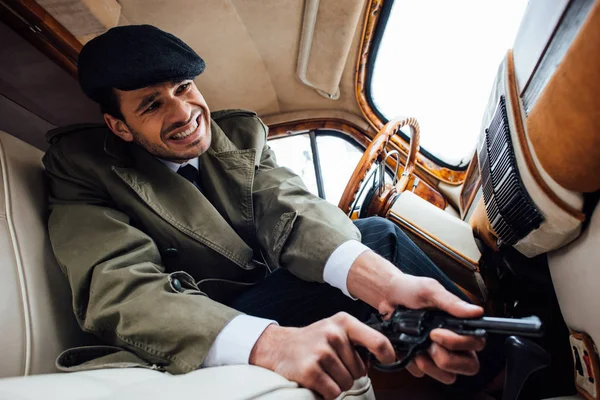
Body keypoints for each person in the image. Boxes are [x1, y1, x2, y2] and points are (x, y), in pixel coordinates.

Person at [44, 25, 488, 399]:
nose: (184, 113)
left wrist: (388, 285)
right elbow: (122, 287)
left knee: (374, 254)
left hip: (260, 295)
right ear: (118, 125)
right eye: (152, 104)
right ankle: (506, 371)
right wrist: (272, 343)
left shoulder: (236, 134)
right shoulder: (82, 167)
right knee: (377, 236)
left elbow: (289, 209)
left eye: (184, 88)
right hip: (190, 326)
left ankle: (494, 361)